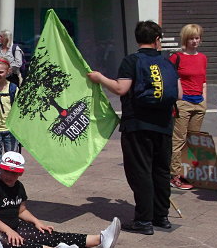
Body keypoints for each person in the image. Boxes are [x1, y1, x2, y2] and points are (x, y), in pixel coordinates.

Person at [88, 21, 180, 235]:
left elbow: (121, 88)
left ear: (138, 39)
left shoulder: (132, 61)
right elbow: (180, 94)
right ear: (157, 39)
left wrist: (100, 78)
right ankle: (161, 216)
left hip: (138, 123)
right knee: (160, 170)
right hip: (164, 124)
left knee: (141, 171)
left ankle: (143, 221)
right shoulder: (168, 63)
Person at [0, 152, 121, 248]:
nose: (9, 176)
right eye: (6, 171)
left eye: (14, 173)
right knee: (17, 245)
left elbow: (21, 210)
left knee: (48, 235)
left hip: (14, 225)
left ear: (20, 173)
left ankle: (100, 239)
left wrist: (37, 222)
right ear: (0, 169)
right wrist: (9, 231)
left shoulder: (18, 186)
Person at [168, 24, 207, 191]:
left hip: (198, 102)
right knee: (178, 140)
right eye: (191, 38)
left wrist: (204, 101)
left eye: (197, 37)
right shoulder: (176, 57)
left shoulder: (203, 57)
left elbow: (203, 80)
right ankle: (174, 175)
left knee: (193, 141)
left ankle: (187, 173)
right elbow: (170, 79)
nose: (194, 41)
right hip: (183, 102)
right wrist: (178, 99)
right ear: (185, 39)